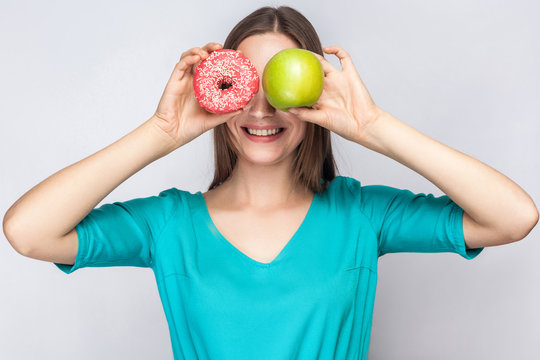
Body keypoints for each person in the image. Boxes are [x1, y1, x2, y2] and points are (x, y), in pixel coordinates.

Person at [3, 5, 538, 360]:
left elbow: (514, 216)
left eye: (280, 83)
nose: (261, 107)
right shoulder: (168, 224)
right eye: (245, 84)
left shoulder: (362, 216)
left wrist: (375, 126)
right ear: (219, 93)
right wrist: (161, 132)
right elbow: (28, 231)